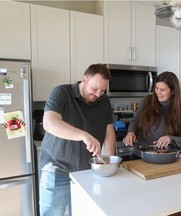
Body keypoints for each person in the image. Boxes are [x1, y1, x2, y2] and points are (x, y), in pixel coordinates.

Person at [39, 64, 116, 216]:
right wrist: (84, 135)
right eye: (95, 89)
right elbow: (50, 123)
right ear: (85, 79)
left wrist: (109, 162)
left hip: (87, 173)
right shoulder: (61, 93)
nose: (98, 94)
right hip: (56, 170)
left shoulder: (104, 101)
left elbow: (109, 132)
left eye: (103, 90)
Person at [123, 71, 181, 159]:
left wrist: (170, 139)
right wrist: (131, 132)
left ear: (173, 91)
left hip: (165, 157)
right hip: (140, 155)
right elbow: (135, 122)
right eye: (156, 88)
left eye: (162, 90)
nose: (158, 93)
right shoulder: (147, 101)